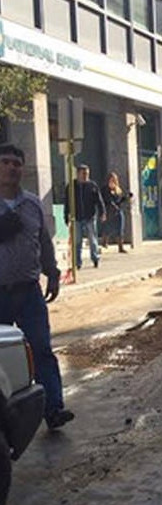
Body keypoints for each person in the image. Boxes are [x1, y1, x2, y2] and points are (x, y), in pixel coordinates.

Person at [0, 144, 74, 429]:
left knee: (41, 349)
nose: (10, 168)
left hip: (28, 291)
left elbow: (43, 242)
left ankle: (53, 409)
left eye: (16, 163)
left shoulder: (31, 204)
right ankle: (6, 415)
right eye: (5, 162)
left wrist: (52, 272)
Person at [64, 163, 106, 268]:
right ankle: (77, 262)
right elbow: (67, 202)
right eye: (83, 173)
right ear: (77, 174)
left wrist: (102, 212)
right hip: (76, 217)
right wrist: (66, 216)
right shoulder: (71, 186)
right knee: (77, 241)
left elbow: (99, 200)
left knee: (92, 240)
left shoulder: (92, 185)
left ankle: (95, 258)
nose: (85, 176)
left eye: (87, 173)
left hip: (90, 217)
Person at [100, 171, 131, 253]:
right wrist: (111, 206)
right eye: (111, 179)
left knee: (120, 228)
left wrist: (126, 198)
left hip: (118, 211)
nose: (113, 181)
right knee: (108, 227)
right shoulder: (105, 189)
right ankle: (104, 241)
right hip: (109, 211)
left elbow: (119, 201)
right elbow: (106, 199)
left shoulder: (117, 189)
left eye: (114, 179)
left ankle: (120, 247)